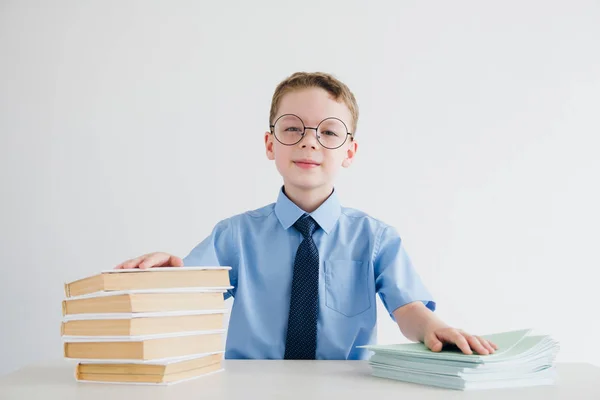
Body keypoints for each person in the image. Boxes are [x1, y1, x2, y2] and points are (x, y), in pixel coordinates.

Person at [115, 72, 497, 360]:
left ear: (350, 151)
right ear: (270, 144)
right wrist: (169, 273)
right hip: (250, 388)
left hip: (345, 389)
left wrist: (437, 329)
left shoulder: (375, 238)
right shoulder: (235, 236)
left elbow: (409, 309)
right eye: (293, 128)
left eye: (329, 132)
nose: (309, 141)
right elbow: (192, 287)